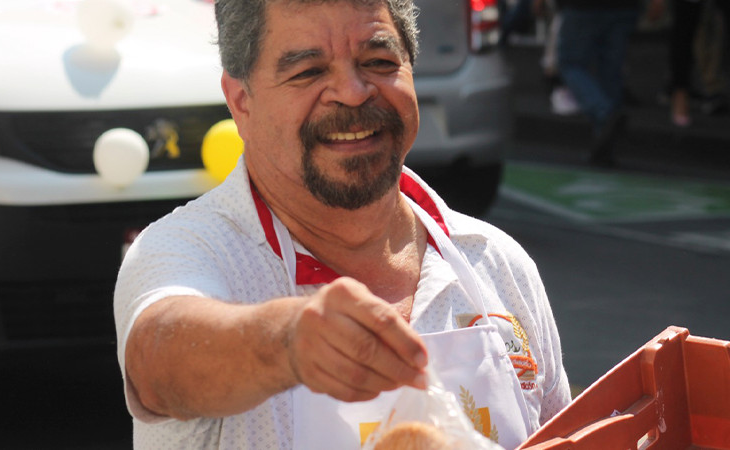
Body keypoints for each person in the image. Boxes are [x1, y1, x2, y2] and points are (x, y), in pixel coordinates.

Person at [114, 0, 571, 448]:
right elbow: (158, 360)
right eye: (308, 71)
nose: (353, 92)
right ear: (241, 102)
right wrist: (288, 342)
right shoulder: (188, 250)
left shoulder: (494, 260)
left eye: (378, 61)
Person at [555, 0, 646, 167]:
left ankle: (603, 114)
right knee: (611, 72)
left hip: (584, 7)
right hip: (624, 7)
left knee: (571, 64)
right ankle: (605, 147)